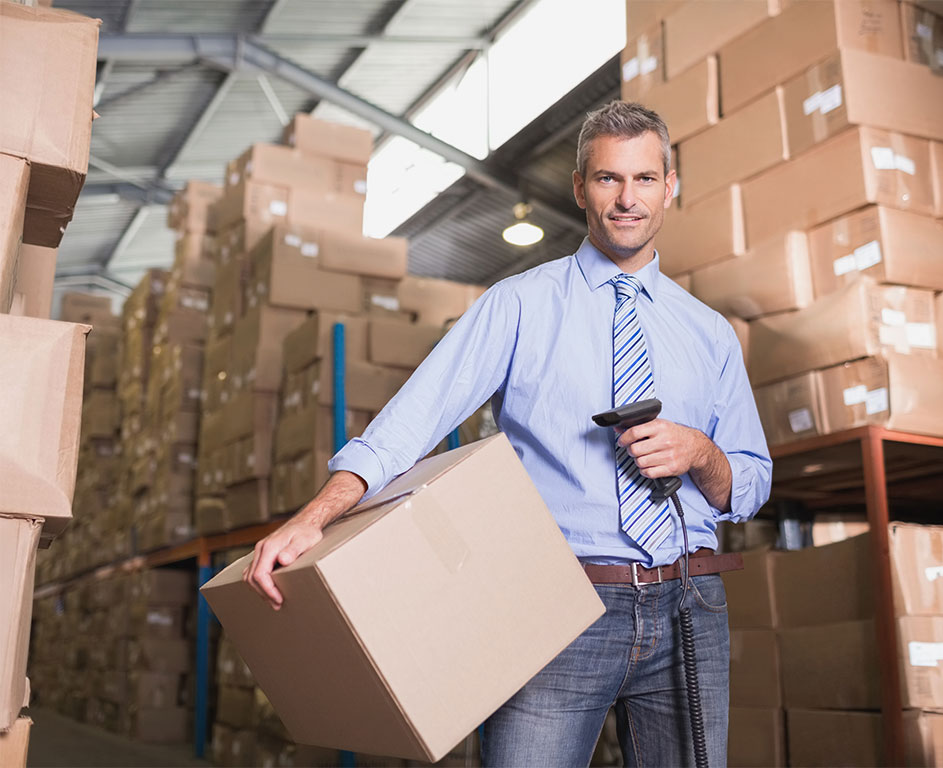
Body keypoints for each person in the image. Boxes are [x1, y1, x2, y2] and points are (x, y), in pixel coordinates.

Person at [245, 100, 772, 767]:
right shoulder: (518, 305)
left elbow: (750, 484)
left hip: (690, 604)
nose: (627, 198)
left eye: (644, 179)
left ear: (670, 186)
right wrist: (315, 517)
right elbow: (411, 424)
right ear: (580, 187)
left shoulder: (710, 333)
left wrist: (700, 452)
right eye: (609, 179)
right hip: (555, 603)